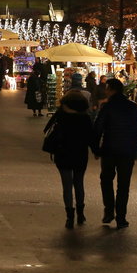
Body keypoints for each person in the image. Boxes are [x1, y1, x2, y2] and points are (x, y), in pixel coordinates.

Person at [93, 78, 137, 229]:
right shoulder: (133, 107)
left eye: (107, 88)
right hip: (127, 151)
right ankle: (121, 217)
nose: (105, 91)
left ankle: (109, 211)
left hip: (110, 149)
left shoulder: (107, 107)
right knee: (123, 185)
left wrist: (96, 149)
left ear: (111, 89)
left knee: (106, 180)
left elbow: (98, 128)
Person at [44, 90, 93, 228]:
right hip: (80, 154)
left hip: (63, 153)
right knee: (79, 183)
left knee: (66, 185)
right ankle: (81, 213)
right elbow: (91, 137)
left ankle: (69, 216)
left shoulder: (61, 116)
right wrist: (96, 151)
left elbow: (48, 130)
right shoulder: (85, 118)